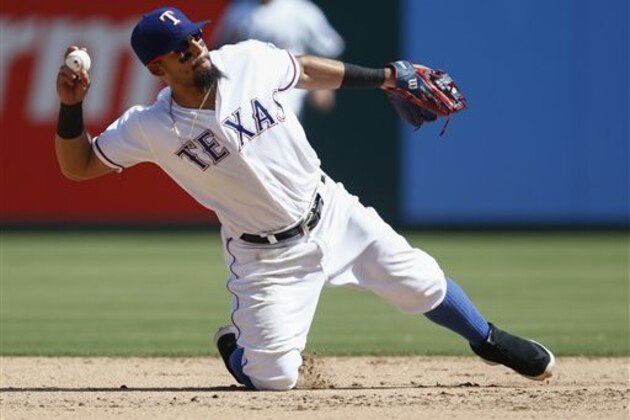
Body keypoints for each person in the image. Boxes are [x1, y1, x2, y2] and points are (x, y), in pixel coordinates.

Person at [55, 6, 555, 391]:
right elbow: (77, 167)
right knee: (273, 380)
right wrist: (71, 109)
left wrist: (383, 77)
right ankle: (236, 346)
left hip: (331, 213)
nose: (197, 48)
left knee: (423, 282)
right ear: (159, 66)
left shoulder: (248, 59)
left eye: (196, 36)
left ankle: (488, 339)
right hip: (264, 256)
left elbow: (309, 70)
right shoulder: (149, 127)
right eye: (182, 48)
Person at [211, 0, 345, 118]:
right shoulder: (239, 10)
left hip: (287, 86)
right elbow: (220, 48)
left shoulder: (302, 11)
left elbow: (328, 48)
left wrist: (324, 86)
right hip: (247, 86)